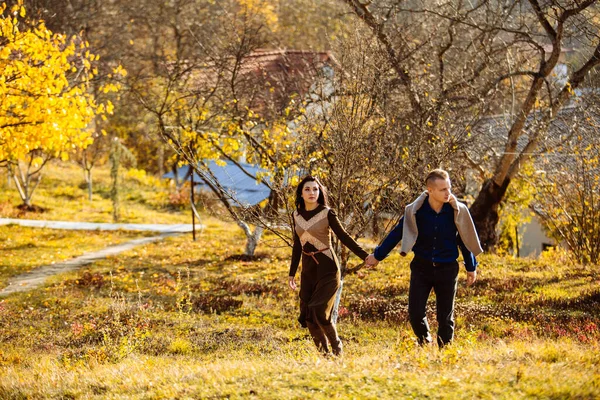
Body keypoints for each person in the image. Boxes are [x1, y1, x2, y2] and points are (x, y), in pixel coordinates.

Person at [365, 169, 483, 347]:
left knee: (445, 316)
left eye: (449, 188)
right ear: (430, 190)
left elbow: (464, 239)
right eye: (443, 189)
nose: (448, 193)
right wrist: (377, 256)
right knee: (415, 312)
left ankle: (445, 352)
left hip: (447, 268)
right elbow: (397, 233)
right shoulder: (416, 211)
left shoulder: (456, 211)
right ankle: (424, 341)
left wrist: (471, 266)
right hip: (422, 267)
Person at [288, 176, 371, 356]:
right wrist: (292, 273)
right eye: (307, 189)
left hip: (328, 268)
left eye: (315, 189)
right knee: (308, 315)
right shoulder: (296, 215)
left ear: (320, 192)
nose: (312, 193)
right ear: (301, 194)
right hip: (308, 271)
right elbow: (297, 244)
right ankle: (324, 355)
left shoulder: (327, 213)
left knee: (319, 310)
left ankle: (337, 348)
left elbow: (345, 237)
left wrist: (365, 257)